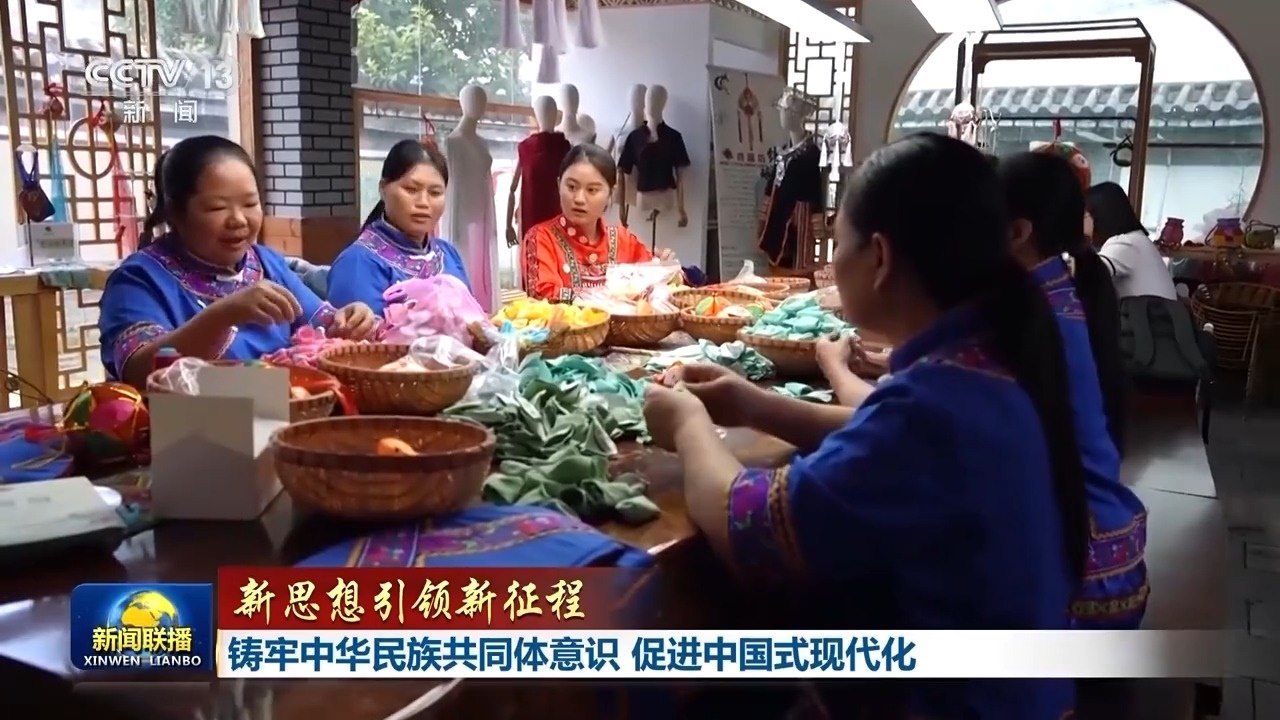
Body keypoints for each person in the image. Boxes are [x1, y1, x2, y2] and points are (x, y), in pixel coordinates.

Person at [644, 133, 1084, 718]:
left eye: (838, 243)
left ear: (879, 257)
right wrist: (751, 404)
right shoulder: (987, 360)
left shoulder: (932, 407)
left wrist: (687, 423)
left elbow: (745, 524)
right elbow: (878, 433)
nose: (830, 263)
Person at [98, 136, 378, 389]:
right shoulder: (139, 279)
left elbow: (323, 322)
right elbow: (139, 371)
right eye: (217, 208)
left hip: (285, 412)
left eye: (250, 204)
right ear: (175, 213)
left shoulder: (266, 263)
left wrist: (351, 319)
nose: (239, 220)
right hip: (189, 425)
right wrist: (223, 316)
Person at [1000, 152, 1149, 630]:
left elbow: (917, 414)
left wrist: (834, 367)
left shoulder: (1026, 315)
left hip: (1075, 583)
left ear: (1017, 232)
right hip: (1113, 560)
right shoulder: (1063, 291)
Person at [328, 139, 472, 316]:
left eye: (435, 193)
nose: (423, 202)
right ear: (383, 189)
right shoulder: (357, 262)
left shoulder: (449, 254)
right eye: (411, 189)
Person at [522, 144, 675, 302]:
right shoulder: (541, 237)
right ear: (559, 185)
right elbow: (543, 294)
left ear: (611, 193)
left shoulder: (623, 240)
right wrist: (604, 299)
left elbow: (652, 285)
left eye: (592, 190)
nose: (579, 199)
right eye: (571, 187)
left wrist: (664, 270)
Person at [1085, 181, 1177, 300]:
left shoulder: (1126, 244)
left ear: (1098, 216)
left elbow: (1087, 273)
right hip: (1154, 311)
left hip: (1149, 312)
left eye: (1084, 215)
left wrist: (1077, 238)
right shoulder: (1136, 240)